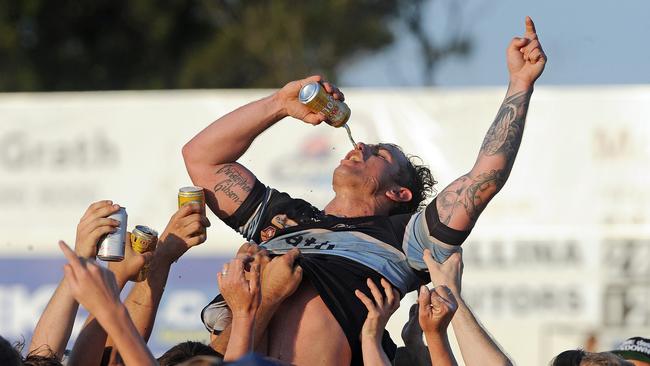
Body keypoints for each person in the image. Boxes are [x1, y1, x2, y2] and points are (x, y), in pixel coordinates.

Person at [183, 16, 546, 365]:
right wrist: (280, 103)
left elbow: (485, 179)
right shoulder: (284, 218)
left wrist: (520, 85)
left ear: (399, 194)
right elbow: (201, 159)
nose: (362, 148)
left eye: (381, 153)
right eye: (367, 146)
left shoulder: (405, 238)